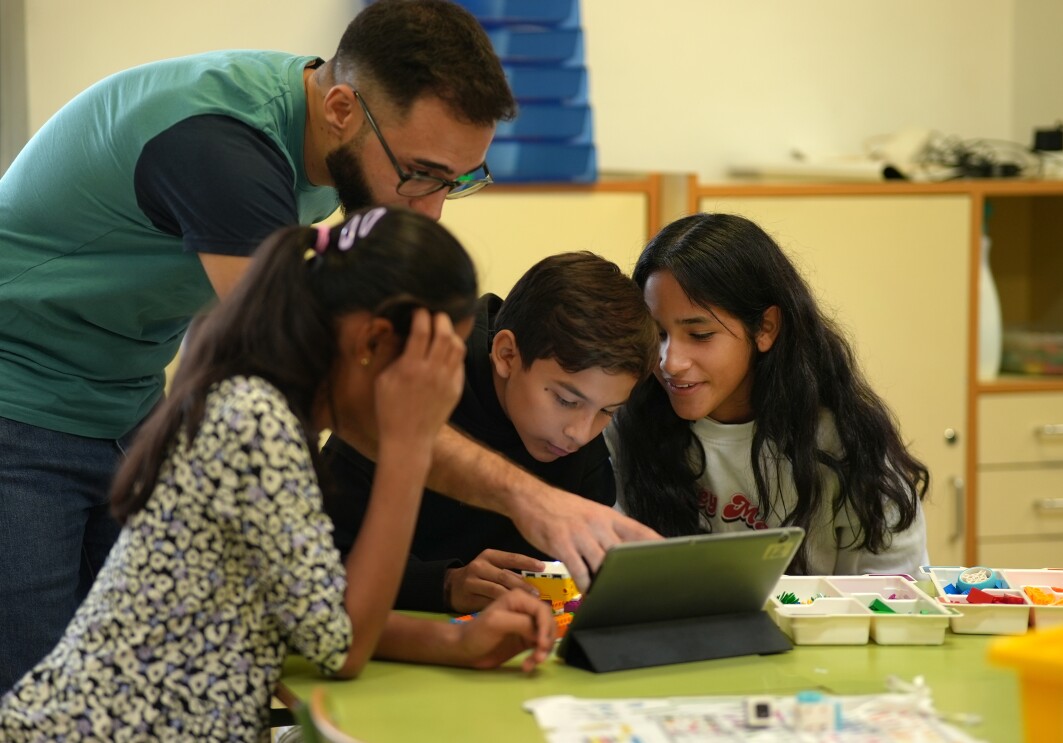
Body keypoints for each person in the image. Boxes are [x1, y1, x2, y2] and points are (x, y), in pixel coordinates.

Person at [0, 0, 654, 692]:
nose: (430, 207)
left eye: (457, 181)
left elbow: (297, 619)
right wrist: (517, 493)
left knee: (118, 669)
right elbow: (335, 394)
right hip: (20, 399)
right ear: (342, 107)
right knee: (36, 674)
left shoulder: (323, 147)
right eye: (421, 172)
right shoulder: (228, 159)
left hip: (122, 397)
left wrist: (453, 640)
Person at [0, 207, 556, 742]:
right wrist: (409, 445)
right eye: (433, 368)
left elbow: (316, 617)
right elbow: (342, 649)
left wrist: (459, 645)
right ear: (373, 343)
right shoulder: (254, 419)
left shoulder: (264, 409)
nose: (445, 392)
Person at [324, 251, 659, 614]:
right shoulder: (415, 379)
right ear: (507, 355)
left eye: (608, 411)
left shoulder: (578, 442)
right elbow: (316, 561)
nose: (579, 434)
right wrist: (442, 584)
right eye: (565, 400)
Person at [608, 213, 930, 576]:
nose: (670, 362)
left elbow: (894, 592)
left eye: (699, 335)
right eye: (658, 334)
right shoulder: (622, 421)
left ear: (765, 328)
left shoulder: (842, 437)